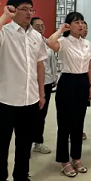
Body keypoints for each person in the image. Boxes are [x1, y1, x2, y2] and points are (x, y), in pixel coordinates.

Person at [0, 0, 46, 181]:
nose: (29, 13)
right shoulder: (3, 32)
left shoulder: (36, 36)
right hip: (6, 100)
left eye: (31, 9)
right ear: (13, 10)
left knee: (25, 143)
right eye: (24, 9)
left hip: (30, 99)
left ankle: (21, 179)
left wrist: (41, 93)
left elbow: (40, 65)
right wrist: (4, 17)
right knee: (1, 145)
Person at [47, 12, 91, 177]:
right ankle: (64, 160)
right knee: (65, 123)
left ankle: (76, 157)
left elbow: (89, 65)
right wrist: (61, 30)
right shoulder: (63, 42)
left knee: (78, 123)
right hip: (67, 82)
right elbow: (49, 42)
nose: (80, 25)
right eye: (76, 22)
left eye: (82, 22)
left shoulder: (87, 43)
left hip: (83, 82)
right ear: (69, 25)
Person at [30, 16, 54, 155]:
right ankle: (26, 143)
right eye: (37, 26)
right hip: (32, 83)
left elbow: (51, 62)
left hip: (47, 82)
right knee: (30, 115)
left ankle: (38, 142)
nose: (40, 28)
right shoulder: (28, 41)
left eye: (42, 25)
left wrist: (54, 77)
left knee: (41, 114)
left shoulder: (47, 42)